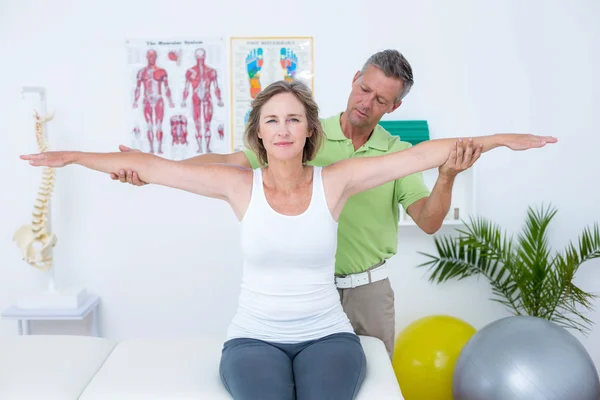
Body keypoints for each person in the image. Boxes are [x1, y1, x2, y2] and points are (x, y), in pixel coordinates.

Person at [21, 79, 555, 399]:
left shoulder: (336, 181)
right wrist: (70, 156)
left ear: (307, 132)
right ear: (259, 133)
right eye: (271, 120)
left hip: (329, 335)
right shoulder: (237, 184)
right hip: (254, 339)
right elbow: (151, 166)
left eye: (293, 119)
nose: (282, 128)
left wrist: (499, 140)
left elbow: (419, 156)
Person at [112, 49, 485, 356]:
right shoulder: (302, 133)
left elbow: (428, 221)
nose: (365, 102)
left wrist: (447, 175)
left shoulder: (396, 153)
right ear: (354, 78)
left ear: (394, 107)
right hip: (302, 295)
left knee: (372, 387)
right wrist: (152, 171)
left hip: (367, 293)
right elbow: (227, 164)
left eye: (380, 99)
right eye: (364, 88)